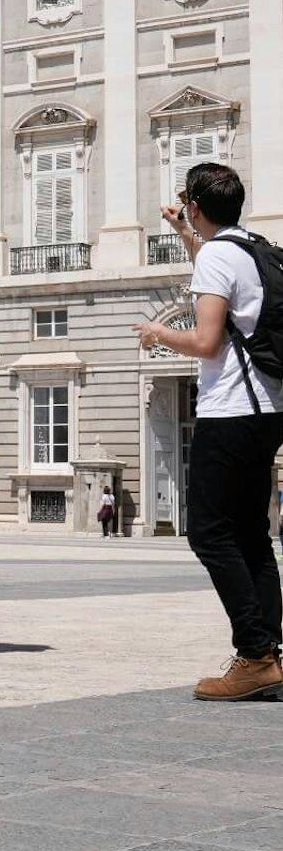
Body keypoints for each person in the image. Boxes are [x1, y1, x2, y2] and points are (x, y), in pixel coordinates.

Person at [135, 162, 283, 701]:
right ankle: (270, 653)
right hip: (269, 406)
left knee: (209, 532)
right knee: (250, 535)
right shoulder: (251, 247)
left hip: (231, 410)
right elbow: (221, 282)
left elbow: (207, 342)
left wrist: (158, 331)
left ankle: (254, 654)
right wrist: (186, 234)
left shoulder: (218, 256)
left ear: (196, 204)